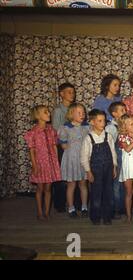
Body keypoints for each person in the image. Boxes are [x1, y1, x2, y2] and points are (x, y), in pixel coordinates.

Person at [80, 109, 118, 225]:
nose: (103, 124)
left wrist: (114, 167)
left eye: (104, 121)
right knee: (96, 193)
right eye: (100, 121)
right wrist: (88, 171)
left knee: (108, 192)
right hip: (95, 169)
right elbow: (84, 157)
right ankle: (95, 216)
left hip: (108, 168)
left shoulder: (108, 136)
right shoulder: (88, 139)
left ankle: (107, 216)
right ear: (92, 122)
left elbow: (113, 153)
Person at [24, 105, 61, 221]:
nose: (49, 113)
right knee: (40, 188)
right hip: (40, 163)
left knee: (48, 188)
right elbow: (32, 150)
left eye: (48, 111)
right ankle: (40, 212)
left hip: (50, 163)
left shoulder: (51, 130)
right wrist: (34, 165)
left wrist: (56, 162)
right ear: (38, 116)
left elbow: (54, 146)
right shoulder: (33, 132)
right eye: (45, 112)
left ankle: (47, 212)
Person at [57, 103, 90, 218]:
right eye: (79, 113)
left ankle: (84, 206)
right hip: (71, 159)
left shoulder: (87, 127)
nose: (82, 115)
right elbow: (64, 146)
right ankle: (71, 208)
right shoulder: (66, 128)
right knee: (71, 185)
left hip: (83, 159)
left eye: (83, 113)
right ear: (72, 114)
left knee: (83, 184)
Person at [51, 82, 75, 213]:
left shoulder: (75, 108)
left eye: (73, 92)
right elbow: (56, 131)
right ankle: (60, 204)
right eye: (69, 92)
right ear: (61, 94)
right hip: (63, 147)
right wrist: (63, 144)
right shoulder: (58, 111)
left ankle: (75, 202)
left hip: (74, 147)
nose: (72, 94)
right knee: (61, 175)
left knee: (74, 174)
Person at [105, 102, 127, 218]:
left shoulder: (124, 125)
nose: (125, 112)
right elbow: (109, 146)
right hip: (116, 158)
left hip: (125, 158)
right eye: (122, 110)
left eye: (125, 110)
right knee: (116, 184)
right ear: (114, 114)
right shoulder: (111, 128)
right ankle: (115, 208)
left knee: (124, 183)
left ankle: (123, 207)